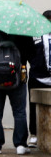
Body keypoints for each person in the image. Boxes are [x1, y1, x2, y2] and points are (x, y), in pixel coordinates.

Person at [0, 24, 32, 155]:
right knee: (19, 112)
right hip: (18, 79)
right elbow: (32, 53)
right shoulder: (23, 30)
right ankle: (20, 145)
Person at [27, 11, 51, 147]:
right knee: (32, 106)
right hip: (37, 77)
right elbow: (29, 52)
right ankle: (34, 134)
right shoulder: (35, 35)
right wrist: (36, 64)